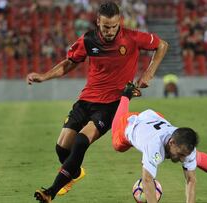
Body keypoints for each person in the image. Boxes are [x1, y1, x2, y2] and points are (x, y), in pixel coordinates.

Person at [28, 2, 169, 202]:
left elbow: (162, 45)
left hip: (112, 104)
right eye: (105, 27)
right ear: (98, 22)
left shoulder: (132, 37)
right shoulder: (88, 40)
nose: (110, 31)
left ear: (119, 21)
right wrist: (43, 76)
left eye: (113, 26)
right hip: (86, 99)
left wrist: (149, 73)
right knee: (61, 148)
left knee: (80, 142)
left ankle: (50, 192)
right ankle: (74, 173)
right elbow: (69, 63)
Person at [110, 83, 207, 203]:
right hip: (130, 125)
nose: (182, 158)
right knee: (117, 145)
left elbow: (191, 180)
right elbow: (147, 180)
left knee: (195, 157)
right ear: (172, 143)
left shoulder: (184, 145)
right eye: (180, 154)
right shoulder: (153, 147)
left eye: (184, 155)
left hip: (155, 119)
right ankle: (126, 95)